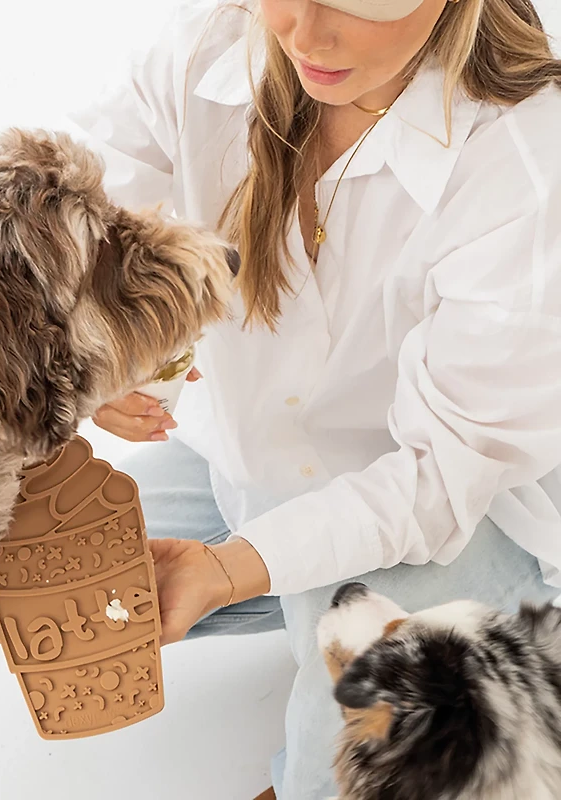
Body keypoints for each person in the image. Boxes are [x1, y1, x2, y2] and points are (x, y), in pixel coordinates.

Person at [68, 0, 561, 796]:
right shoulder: (208, 50)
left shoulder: (526, 159)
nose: (305, 34)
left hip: (448, 515)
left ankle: (493, 638)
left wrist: (232, 570)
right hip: (240, 463)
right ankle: (302, 603)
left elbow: (438, 479)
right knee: (52, 571)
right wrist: (110, 355)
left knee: (343, 771)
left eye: (359, 2)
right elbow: (91, 216)